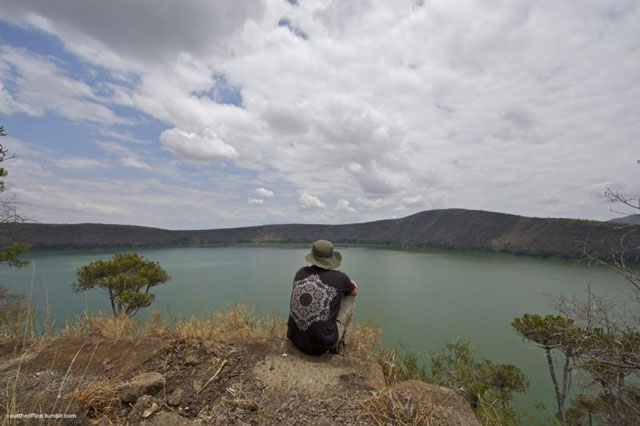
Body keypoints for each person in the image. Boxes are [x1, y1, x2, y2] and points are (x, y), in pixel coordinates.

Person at [287, 239, 358, 355]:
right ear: (331, 258)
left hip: (295, 339)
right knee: (349, 297)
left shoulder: (300, 272)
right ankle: (340, 344)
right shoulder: (340, 278)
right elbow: (355, 292)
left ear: (313, 255)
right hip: (322, 346)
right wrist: (351, 284)